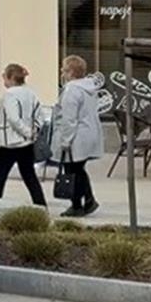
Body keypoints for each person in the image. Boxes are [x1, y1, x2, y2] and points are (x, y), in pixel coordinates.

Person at [52, 54, 104, 218]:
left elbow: (69, 118)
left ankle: (76, 205)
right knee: (79, 169)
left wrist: (65, 141)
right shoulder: (89, 88)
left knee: (72, 170)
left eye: (64, 69)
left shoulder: (72, 90)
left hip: (77, 136)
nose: (62, 72)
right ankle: (89, 200)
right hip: (89, 133)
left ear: (71, 72)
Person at [0, 63, 47, 206]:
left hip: (11, 143)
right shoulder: (31, 93)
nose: (3, 81)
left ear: (10, 78)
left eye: (4, 77)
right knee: (29, 176)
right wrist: (34, 132)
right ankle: (40, 204)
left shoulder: (10, 95)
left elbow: (13, 118)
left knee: (0, 177)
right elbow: (40, 115)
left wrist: (26, 132)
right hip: (27, 144)